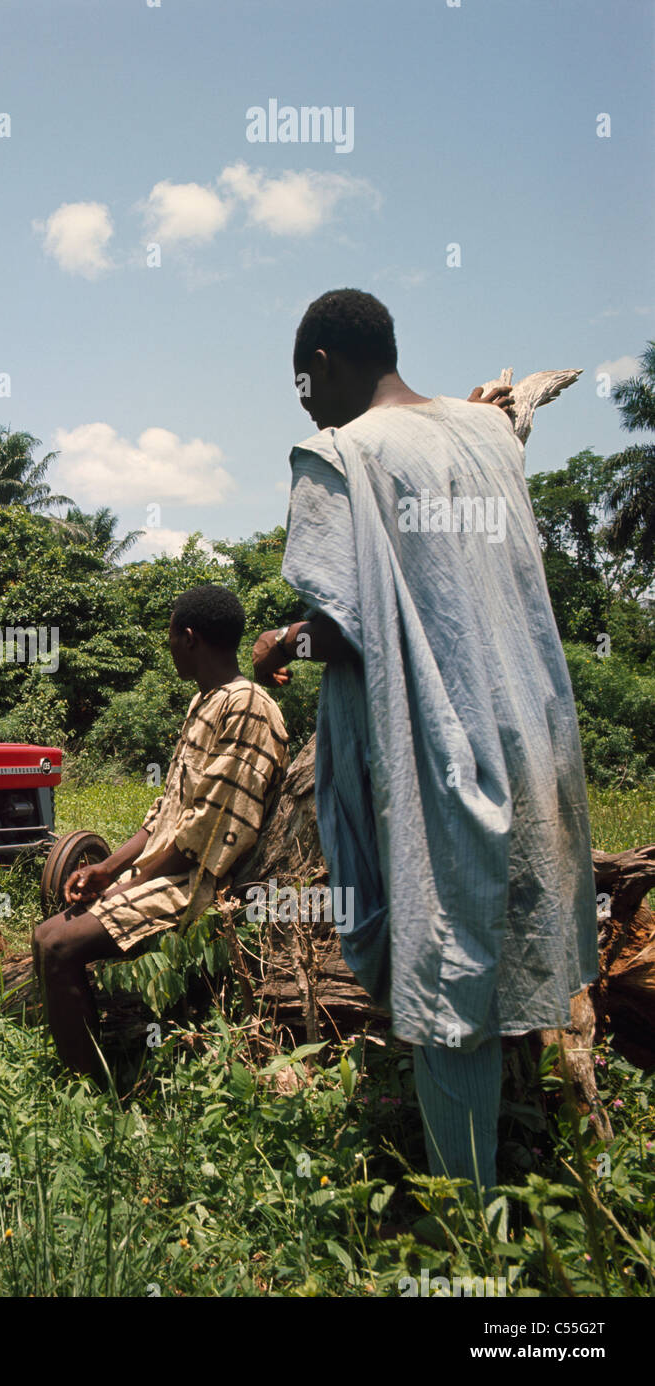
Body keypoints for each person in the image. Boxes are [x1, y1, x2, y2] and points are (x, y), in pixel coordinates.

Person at [251, 288, 597, 1192]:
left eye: (303, 384)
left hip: (441, 752)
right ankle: (525, 1164)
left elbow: (344, 628)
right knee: (505, 936)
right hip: (533, 731)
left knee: (448, 983)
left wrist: (281, 641)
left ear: (322, 363)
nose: (304, 404)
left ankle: (468, 1224)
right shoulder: (486, 435)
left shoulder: (338, 454)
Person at [33, 585, 290, 1079]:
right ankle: (90, 1070)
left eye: (170, 636)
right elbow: (165, 813)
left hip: (199, 886)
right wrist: (107, 869)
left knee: (56, 944)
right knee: (49, 931)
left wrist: (128, 884)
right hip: (169, 872)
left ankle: (91, 1094)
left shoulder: (248, 707)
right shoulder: (206, 703)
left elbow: (207, 835)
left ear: (189, 638)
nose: (168, 645)